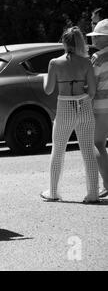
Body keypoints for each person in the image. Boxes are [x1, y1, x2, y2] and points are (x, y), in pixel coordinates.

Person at [40, 26, 99, 203]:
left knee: (58, 150)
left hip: (65, 106)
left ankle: (53, 191)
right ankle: (93, 193)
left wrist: (44, 78)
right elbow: (93, 91)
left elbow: (49, 90)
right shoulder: (86, 63)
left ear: (64, 42)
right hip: (85, 106)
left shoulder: (55, 63)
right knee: (88, 150)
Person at [86, 19, 108, 198]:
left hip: (102, 106)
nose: (94, 39)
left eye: (98, 36)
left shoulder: (98, 58)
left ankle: (107, 184)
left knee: (98, 144)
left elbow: (91, 83)